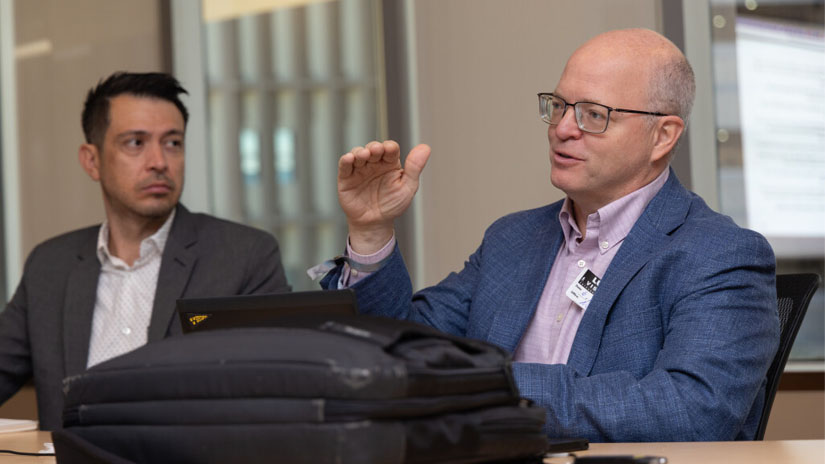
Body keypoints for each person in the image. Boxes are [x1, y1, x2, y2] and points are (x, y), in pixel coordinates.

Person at [320, 29, 779, 442]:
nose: (561, 129)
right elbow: (394, 352)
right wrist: (371, 229)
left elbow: (693, 410)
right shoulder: (513, 238)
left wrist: (489, 388)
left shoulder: (719, 254)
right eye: (558, 106)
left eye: (593, 114)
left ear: (662, 136)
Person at [0, 72, 290, 430]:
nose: (159, 162)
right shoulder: (50, 265)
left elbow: (281, 391)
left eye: (173, 143)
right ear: (91, 161)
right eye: (135, 143)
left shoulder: (243, 256)